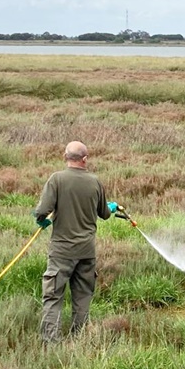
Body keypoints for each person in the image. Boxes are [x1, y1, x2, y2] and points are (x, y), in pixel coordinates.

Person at [34, 140, 118, 343]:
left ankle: (51, 343)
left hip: (61, 252)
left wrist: (42, 220)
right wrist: (111, 207)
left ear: (65, 156)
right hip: (86, 252)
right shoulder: (95, 182)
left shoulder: (56, 180)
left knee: (53, 297)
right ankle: (78, 339)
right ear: (85, 159)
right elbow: (105, 214)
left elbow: (41, 211)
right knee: (82, 297)